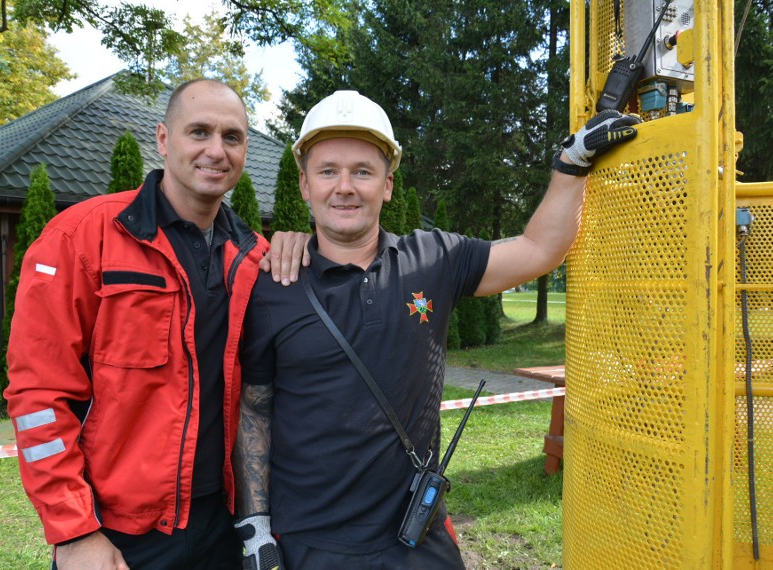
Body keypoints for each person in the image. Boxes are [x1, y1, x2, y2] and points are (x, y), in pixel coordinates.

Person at [234, 90, 641, 568]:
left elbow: (538, 249)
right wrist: (255, 524)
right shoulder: (272, 284)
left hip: (417, 536)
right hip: (312, 543)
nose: (344, 186)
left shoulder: (434, 259)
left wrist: (571, 163)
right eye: (328, 171)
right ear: (304, 185)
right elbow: (255, 410)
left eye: (363, 171)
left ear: (387, 184)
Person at [4, 78, 308, 570]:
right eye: (199, 132)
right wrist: (74, 532)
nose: (216, 150)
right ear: (164, 139)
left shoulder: (256, 258)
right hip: (117, 536)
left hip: (222, 530)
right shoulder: (82, 238)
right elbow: (37, 399)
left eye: (232, 137)